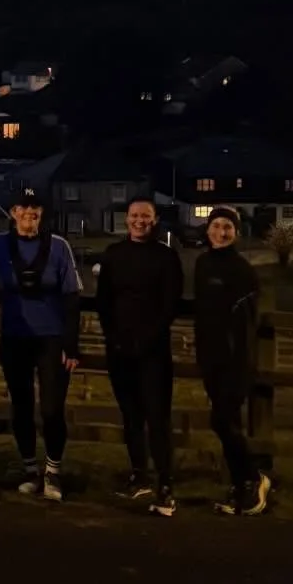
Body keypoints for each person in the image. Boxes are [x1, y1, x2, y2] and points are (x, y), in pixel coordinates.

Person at [0, 188, 81, 502]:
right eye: (24, 210)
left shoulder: (58, 247)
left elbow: (71, 296)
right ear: (13, 212)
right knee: (22, 405)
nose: (30, 215)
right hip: (15, 335)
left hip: (51, 337)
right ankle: (30, 468)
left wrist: (72, 343)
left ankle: (53, 469)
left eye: (36, 211)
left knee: (52, 407)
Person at [96, 197, 183, 518]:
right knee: (130, 415)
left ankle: (165, 482)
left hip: (153, 351)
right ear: (126, 218)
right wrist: (112, 337)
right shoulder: (114, 255)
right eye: (134, 215)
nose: (139, 221)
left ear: (155, 219)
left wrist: (148, 338)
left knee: (157, 417)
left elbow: (169, 303)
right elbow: (104, 299)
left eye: (145, 216)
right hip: (119, 349)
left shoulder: (166, 257)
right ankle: (139, 474)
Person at [193, 206, 271, 517]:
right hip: (210, 359)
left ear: (236, 232)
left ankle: (254, 479)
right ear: (208, 229)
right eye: (216, 225)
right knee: (230, 424)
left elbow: (246, 323)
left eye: (228, 227)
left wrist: (240, 361)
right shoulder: (202, 265)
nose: (221, 232)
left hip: (235, 360)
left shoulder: (243, 271)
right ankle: (241, 488)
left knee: (221, 421)